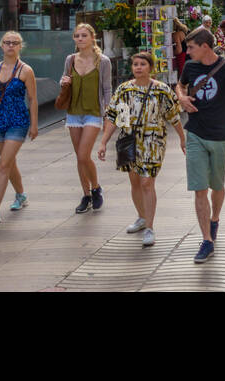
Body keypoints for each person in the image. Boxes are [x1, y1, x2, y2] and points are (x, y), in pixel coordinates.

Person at [175, 27, 225, 262]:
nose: (186, 51)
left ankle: (215, 219)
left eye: (190, 47)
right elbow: (180, 86)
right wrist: (181, 97)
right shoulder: (190, 67)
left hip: (220, 135)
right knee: (199, 188)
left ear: (205, 47)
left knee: (217, 186)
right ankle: (206, 240)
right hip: (195, 134)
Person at [100, 50, 185, 248]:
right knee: (135, 182)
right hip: (130, 140)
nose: (138, 67)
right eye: (135, 64)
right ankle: (141, 217)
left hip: (154, 141)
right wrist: (103, 141)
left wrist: (182, 138)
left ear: (151, 68)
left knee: (147, 182)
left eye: (142, 64)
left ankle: (150, 227)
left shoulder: (162, 90)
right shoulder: (124, 90)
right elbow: (114, 117)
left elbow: (173, 116)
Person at [0, 31, 38, 227]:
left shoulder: (26, 71)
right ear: (1, 46)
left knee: (3, 165)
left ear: (20, 46)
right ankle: (20, 195)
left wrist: (34, 124)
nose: (11, 46)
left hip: (18, 120)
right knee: (8, 163)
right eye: (7, 43)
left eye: (15, 43)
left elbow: (33, 98)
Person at [59, 23, 112, 214]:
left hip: (93, 112)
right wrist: (63, 81)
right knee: (79, 158)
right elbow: (65, 79)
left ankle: (96, 187)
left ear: (92, 38)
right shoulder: (70, 59)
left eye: (83, 35)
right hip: (73, 112)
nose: (80, 39)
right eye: (77, 36)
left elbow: (107, 88)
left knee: (83, 155)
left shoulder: (103, 61)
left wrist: (108, 111)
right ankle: (86, 195)